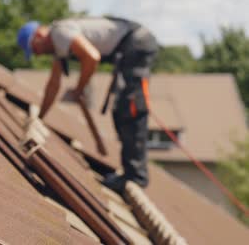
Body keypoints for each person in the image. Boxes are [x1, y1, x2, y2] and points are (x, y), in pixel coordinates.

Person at [17, 16, 159, 193]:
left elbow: (92, 57)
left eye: (35, 49)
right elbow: (53, 86)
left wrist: (79, 89)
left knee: (130, 109)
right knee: (121, 111)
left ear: (38, 35)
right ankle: (131, 174)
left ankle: (135, 178)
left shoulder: (60, 33)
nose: (38, 55)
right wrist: (40, 119)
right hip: (130, 45)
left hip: (136, 42)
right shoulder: (59, 45)